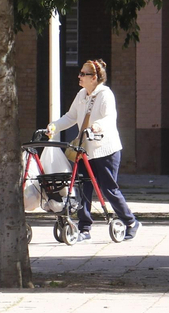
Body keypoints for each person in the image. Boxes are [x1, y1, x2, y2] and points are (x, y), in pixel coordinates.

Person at [47, 59, 141, 243]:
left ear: (94, 78)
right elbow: (71, 116)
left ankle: (131, 222)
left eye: (83, 74)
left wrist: (96, 127)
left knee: (108, 189)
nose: (79, 76)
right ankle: (84, 228)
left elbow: (109, 118)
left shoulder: (106, 94)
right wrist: (54, 126)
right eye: (80, 73)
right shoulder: (82, 94)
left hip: (106, 149)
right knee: (83, 187)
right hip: (85, 150)